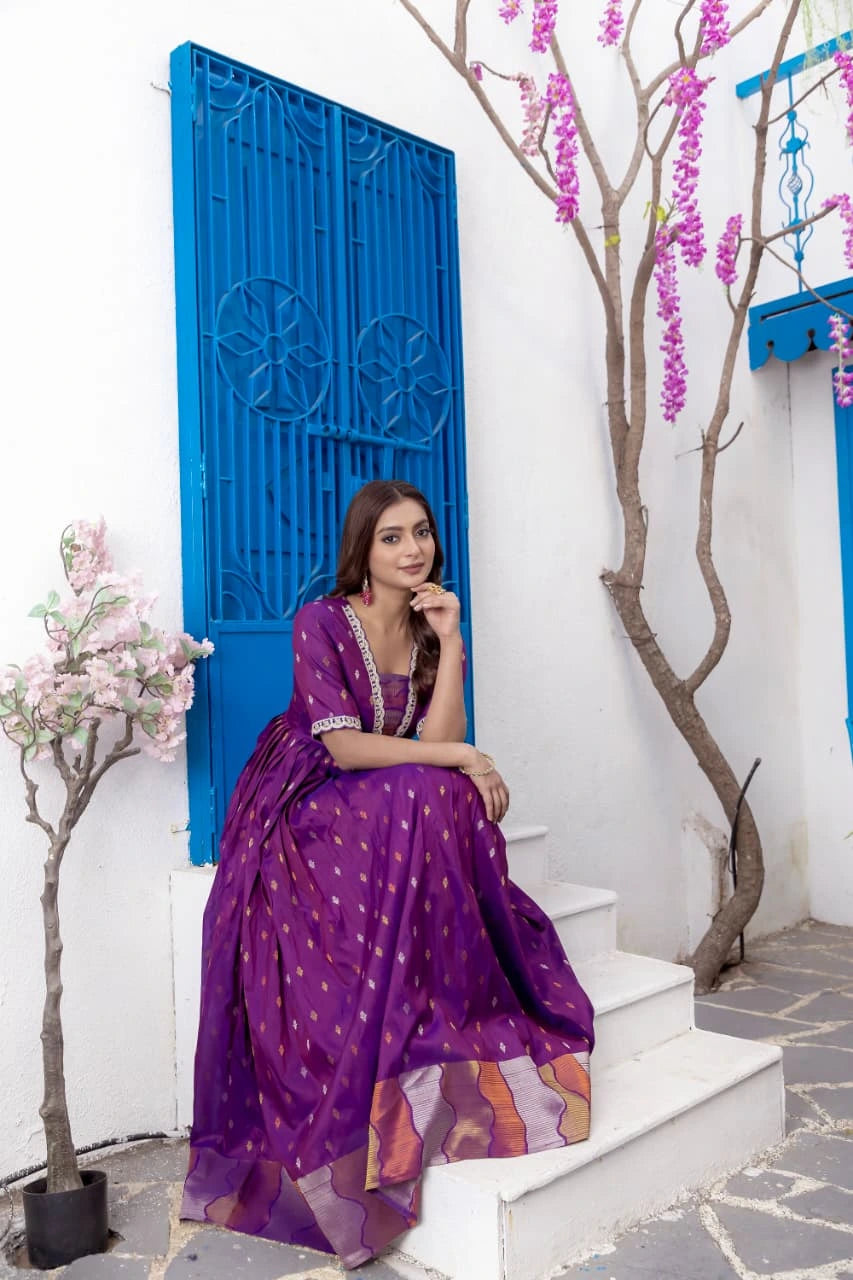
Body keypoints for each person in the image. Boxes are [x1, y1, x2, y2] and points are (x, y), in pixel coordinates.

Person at [181, 479, 594, 1268]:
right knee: (433, 787)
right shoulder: (322, 620)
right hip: (306, 795)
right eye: (392, 537)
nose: (413, 550)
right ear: (363, 550)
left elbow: (436, 743)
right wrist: (465, 757)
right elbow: (343, 748)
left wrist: (452, 641)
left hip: (389, 798)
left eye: (421, 533)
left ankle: (441, 994)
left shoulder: (429, 628)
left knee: (441, 792)